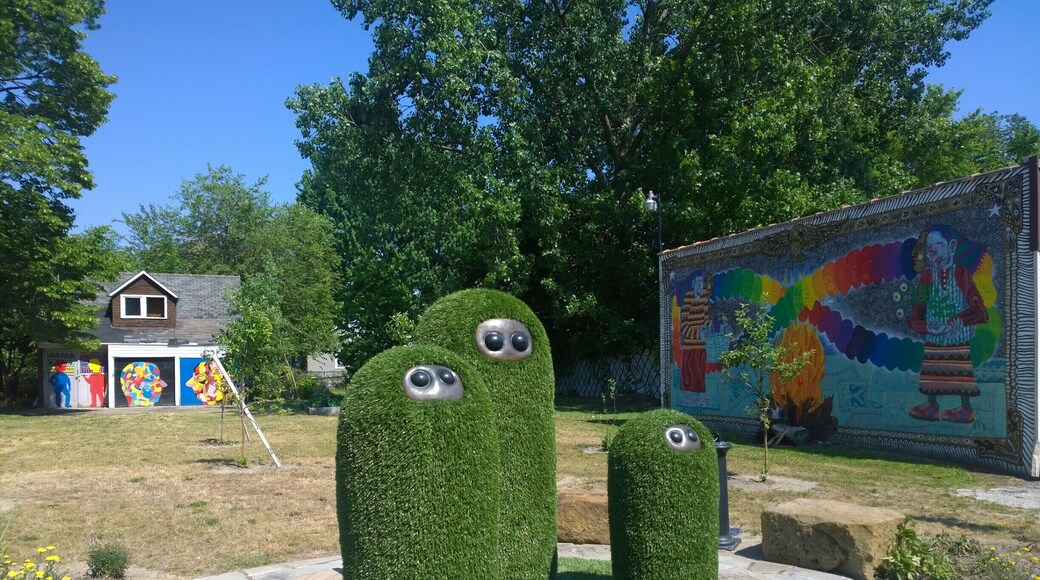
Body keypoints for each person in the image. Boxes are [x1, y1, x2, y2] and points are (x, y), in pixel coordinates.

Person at [907, 226, 988, 424]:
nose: (936, 255)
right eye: (930, 251)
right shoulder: (926, 277)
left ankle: (965, 408)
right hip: (934, 340)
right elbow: (914, 317)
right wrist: (928, 327)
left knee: (960, 374)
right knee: (933, 373)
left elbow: (980, 312)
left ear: (951, 247)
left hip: (958, 340)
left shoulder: (961, 274)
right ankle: (931, 406)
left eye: (939, 247)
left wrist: (960, 321)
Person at [678, 272, 712, 393]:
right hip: (689, 345)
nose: (699, 286)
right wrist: (698, 334)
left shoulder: (704, 299)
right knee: (688, 376)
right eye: (697, 283)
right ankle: (687, 400)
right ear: (693, 284)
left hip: (701, 345)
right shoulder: (688, 298)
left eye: (701, 283)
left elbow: (706, 319)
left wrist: (707, 329)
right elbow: (683, 325)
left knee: (699, 376)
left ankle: (701, 399)